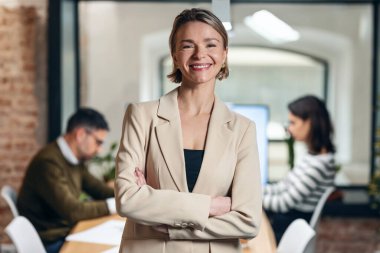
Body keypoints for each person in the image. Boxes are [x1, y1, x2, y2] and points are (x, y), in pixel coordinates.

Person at [114, 8, 262, 253]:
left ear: (224, 54)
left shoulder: (243, 129)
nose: (199, 54)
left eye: (210, 45)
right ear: (174, 54)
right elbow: (128, 200)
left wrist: (171, 221)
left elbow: (248, 220)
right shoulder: (141, 117)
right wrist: (212, 206)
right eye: (187, 46)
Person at [17, 108, 116, 253]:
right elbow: (73, 211)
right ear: (81, 134)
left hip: (65, 231)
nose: (100, 150)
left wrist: (127, 194)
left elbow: (98, 189)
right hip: (49, 240)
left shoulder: (75, 160)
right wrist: (118, 204)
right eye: (98, 142)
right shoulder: (48, 162)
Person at [263, 95, 336, 243]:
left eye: (293, 122)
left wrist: (249, 198)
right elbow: (283, 187)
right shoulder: (313, 157)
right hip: (287, 222)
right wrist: (253, 190)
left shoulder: (319, 165)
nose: (289, 128)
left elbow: (284, 203)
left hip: (289, 228)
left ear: (310, 123)